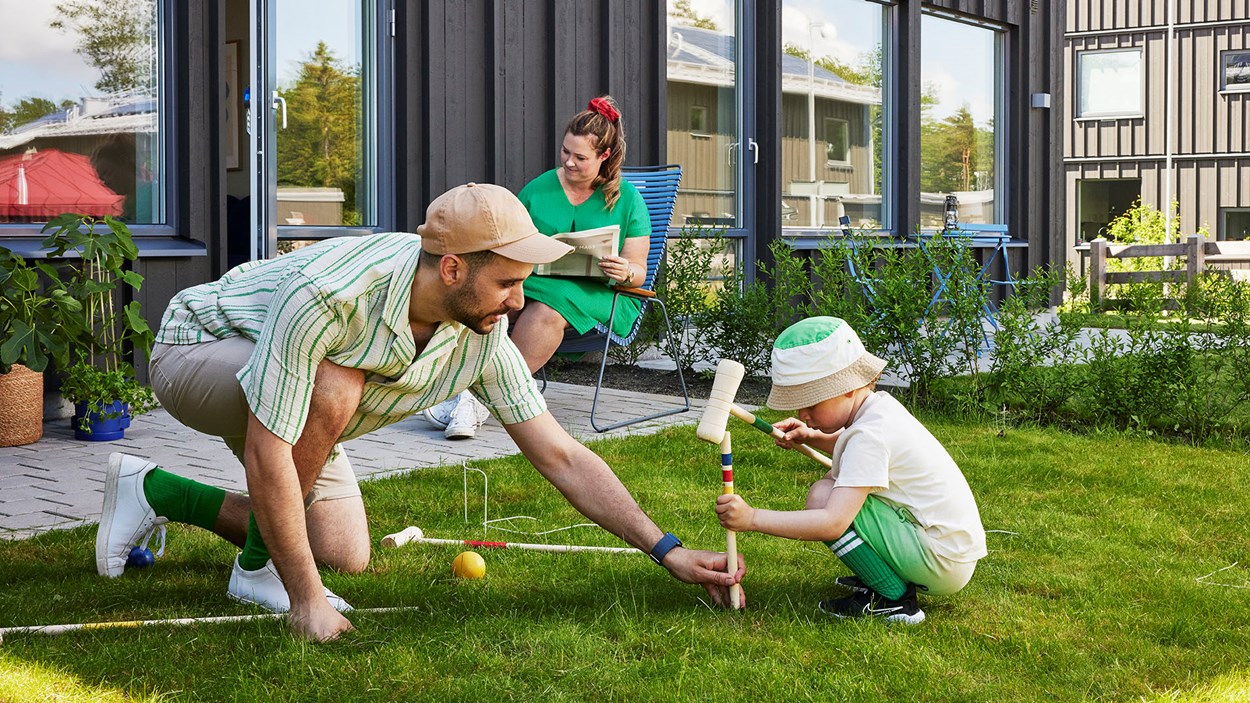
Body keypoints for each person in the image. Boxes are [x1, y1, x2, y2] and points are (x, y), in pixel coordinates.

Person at [95, 183, 745, 643]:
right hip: (198, 349)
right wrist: (305, 598)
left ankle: (149, 488)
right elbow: (271, 447)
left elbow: (562, 455)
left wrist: (670, 551)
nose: (520, 302)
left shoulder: (482, 332)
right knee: (336, 386)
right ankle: (258, 571)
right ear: (454, 267)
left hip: (306, 384)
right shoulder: (334, 295)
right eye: (508, 283)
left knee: (341, 551)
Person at [715, 317, 986, 625]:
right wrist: (813, 436)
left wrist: (752, 518)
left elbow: (832, 523)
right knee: (828, 492)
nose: (803, 414)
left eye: (812, 404)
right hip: (949, 553)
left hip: (940, 561)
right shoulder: (879, 408)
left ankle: (893, 598)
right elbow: (854, 448)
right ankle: (882, 575)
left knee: (822, 498)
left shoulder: (869, 436)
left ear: (847, 388)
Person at [425, 96, 650, 439]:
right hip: (536, 280)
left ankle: (477, 400)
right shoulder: (538, 189)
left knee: (548, 306)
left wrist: (624, 270)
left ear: (604, 156)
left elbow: (639, 271)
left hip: (603, 295)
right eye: (565, 152)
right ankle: (457, 388)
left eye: (580, 157)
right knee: (487, 293)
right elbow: (510, 247)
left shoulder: (628, 199)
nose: (569, 163)